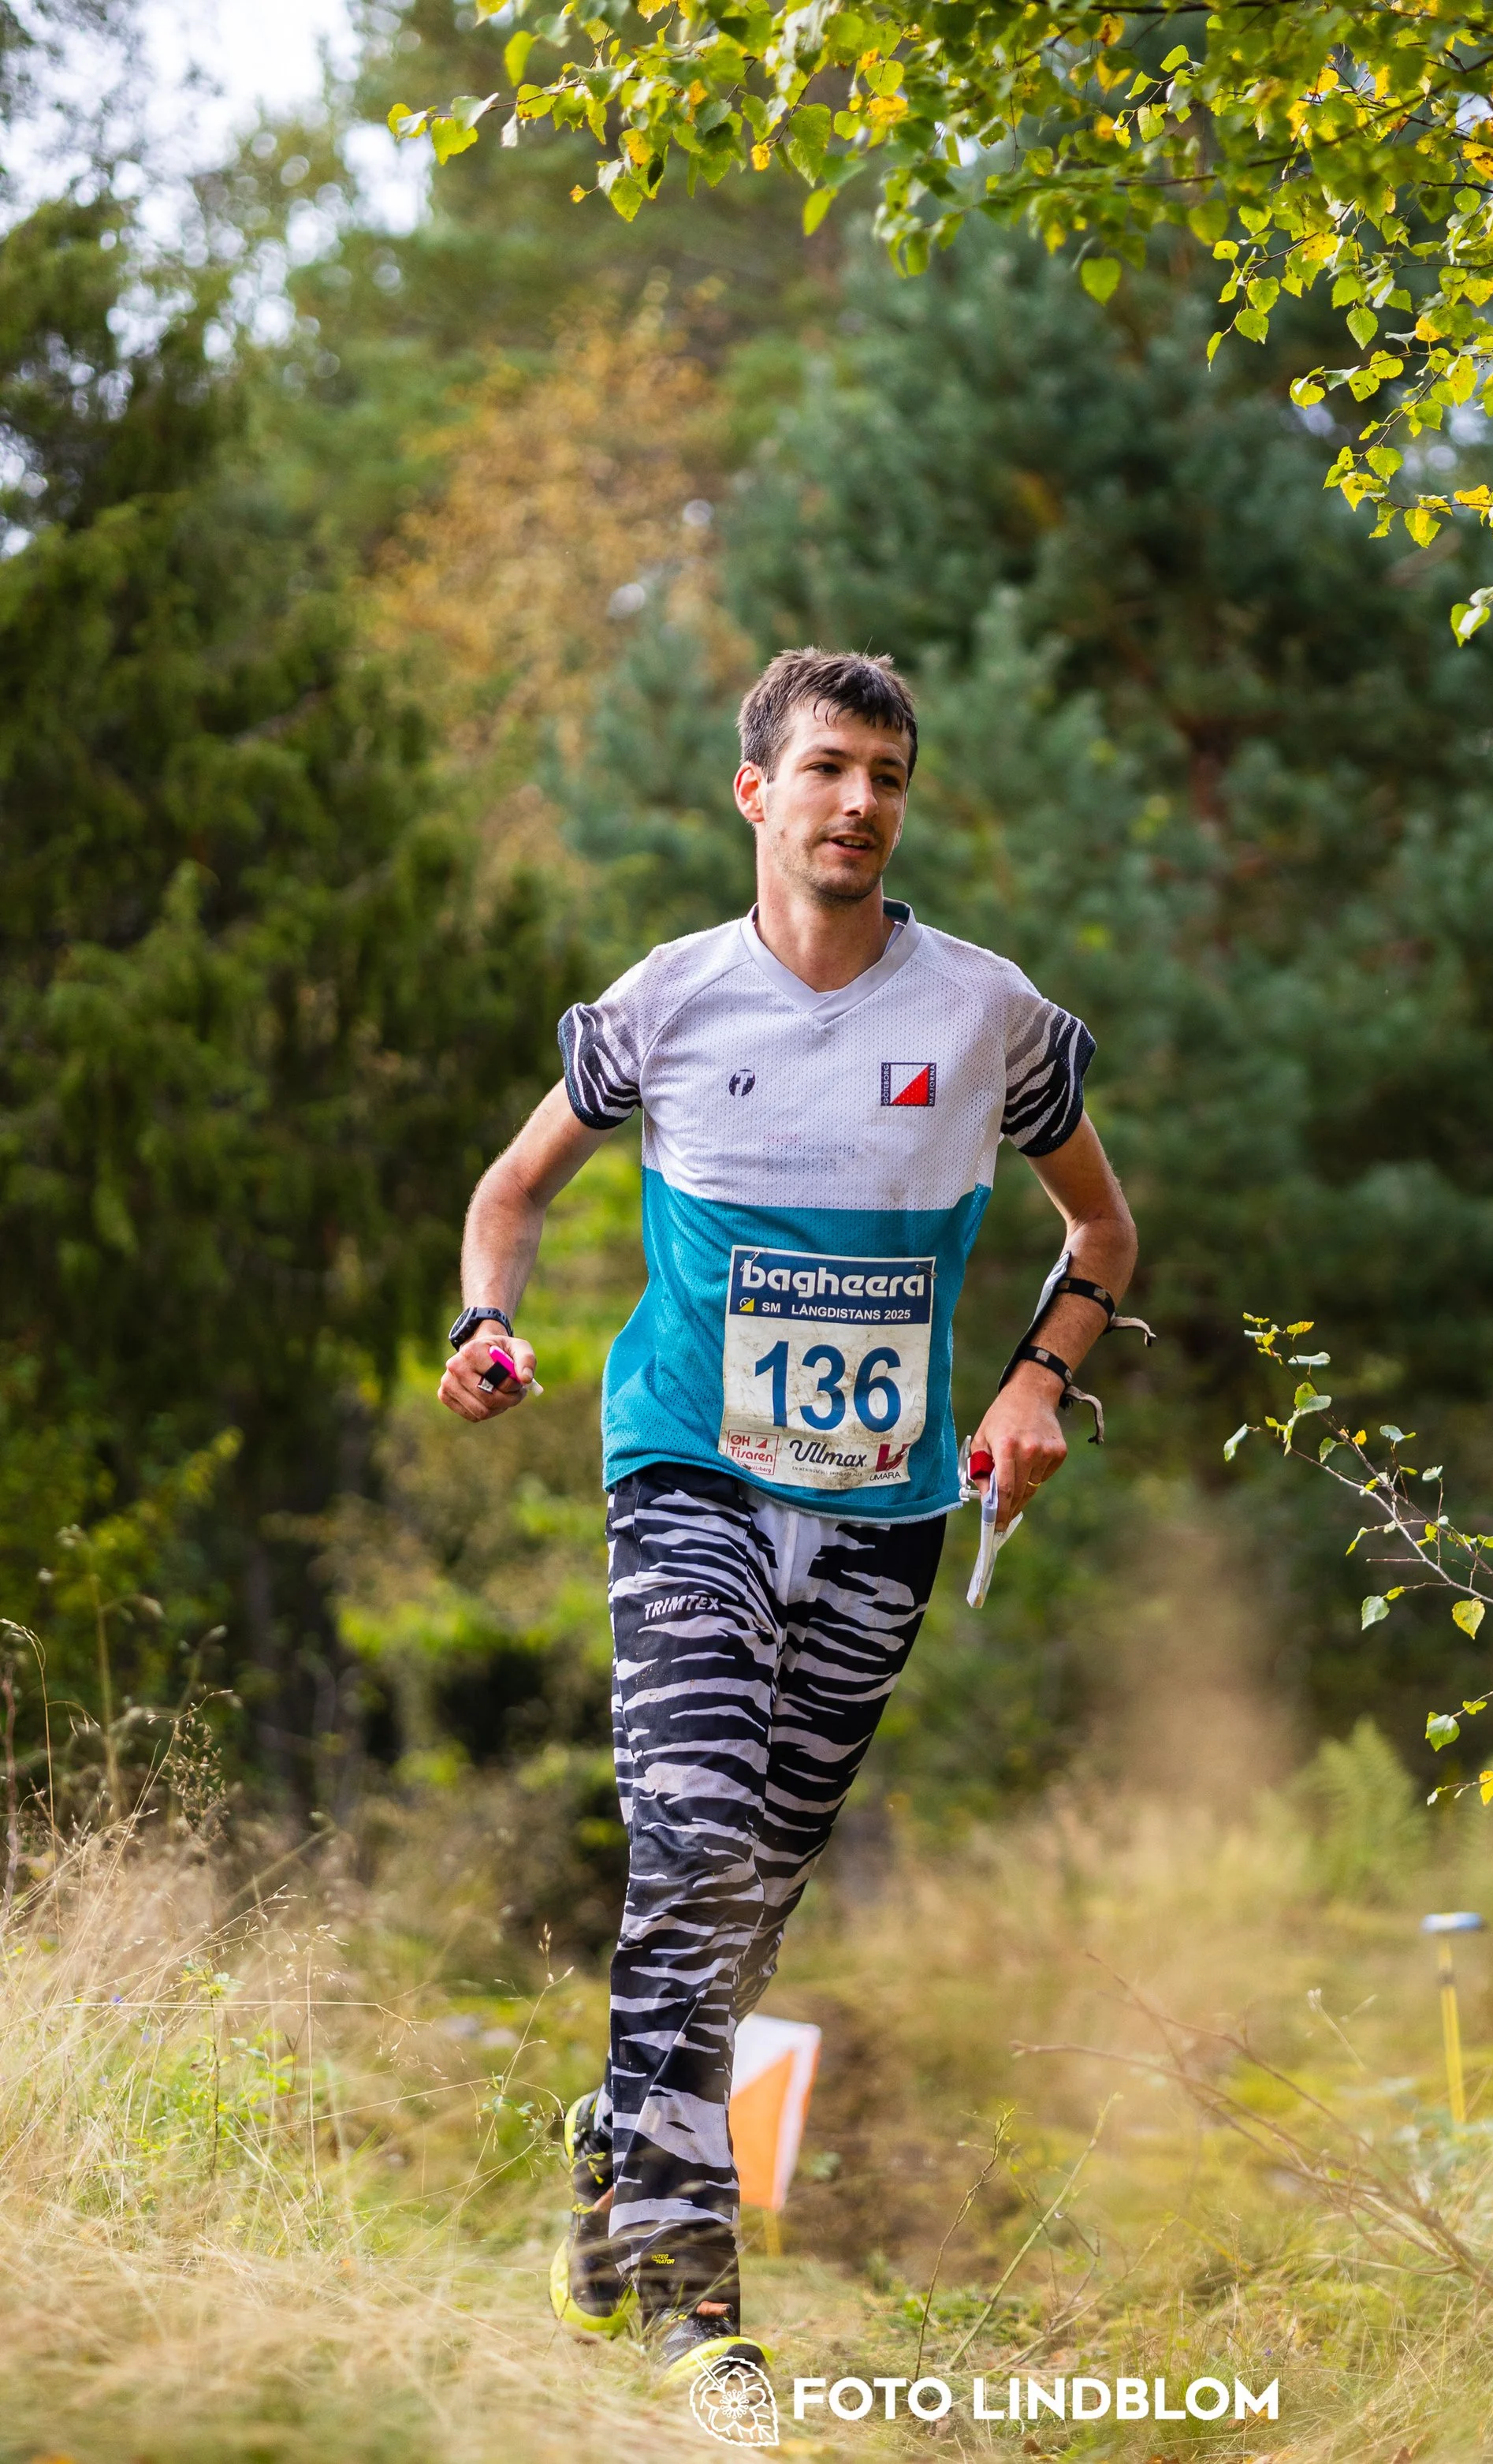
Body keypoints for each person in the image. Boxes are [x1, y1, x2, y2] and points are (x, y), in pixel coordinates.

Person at [437, 647, 1139, 2391]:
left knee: (746, 1908)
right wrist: (484, 1322)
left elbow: (1103, 1240)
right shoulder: (666, 1000)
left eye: (886, 774)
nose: (858, 803)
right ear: (756, 792)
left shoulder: (990, 1018)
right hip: (686, 1473)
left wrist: (1039, 1379)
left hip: (886, 1511)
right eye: (827, 767)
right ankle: (698, 2317)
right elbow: (510, 1190)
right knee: (689, 1862)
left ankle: (614, 2153)